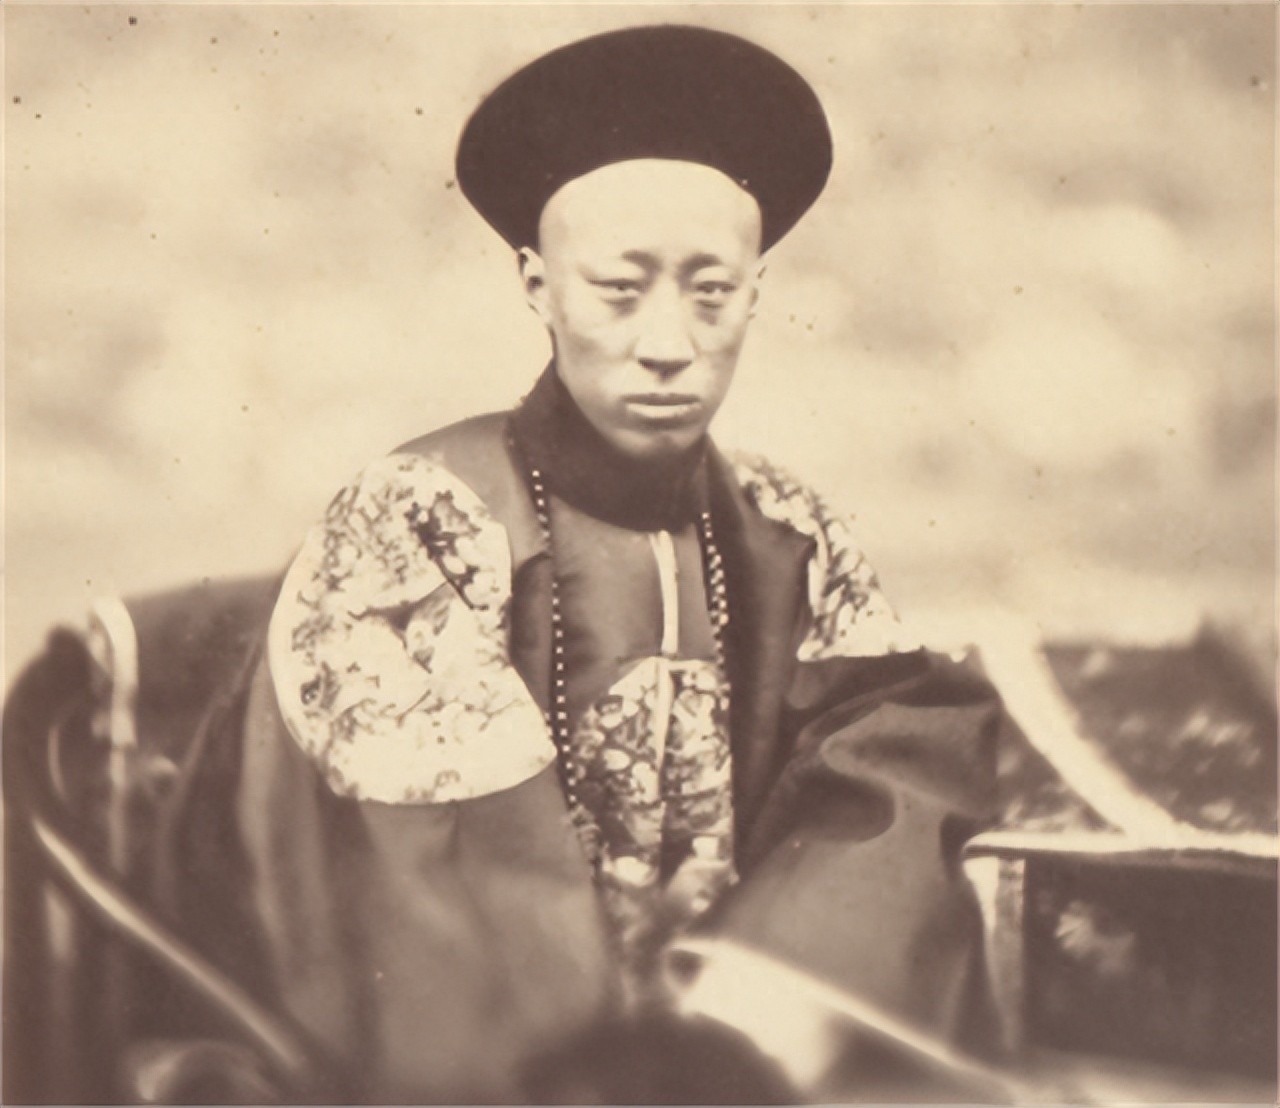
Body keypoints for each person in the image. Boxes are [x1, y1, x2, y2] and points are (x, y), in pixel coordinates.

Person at [157, 24, 1005, 1103]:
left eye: (710, 291)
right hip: (503, 1059)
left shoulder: (788, 529)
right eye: (618, 288)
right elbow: (420, 869)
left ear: (756, 294)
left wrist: (759, 1016)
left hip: (730, 1048)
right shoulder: (415, 519)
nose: (669, 342)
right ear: (538, 284)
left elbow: (897, 756)